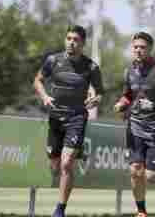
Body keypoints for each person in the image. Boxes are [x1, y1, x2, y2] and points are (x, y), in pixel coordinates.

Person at [34, 25, 104, 217]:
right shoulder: (53, 60)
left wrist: (95, 99)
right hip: (55, 118)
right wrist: (45, 97)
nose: (71, 42)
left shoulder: (91, 67)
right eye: (69, 38)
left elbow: (99, 93)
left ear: (83, 43)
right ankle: (77, 150)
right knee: (55, 166)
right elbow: (38, 80)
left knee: (66, 164)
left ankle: (60, 210)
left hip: (77, 118)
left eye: (76, 40)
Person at [113, 31, 155, 217]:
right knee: (135, 171)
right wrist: (122, 103)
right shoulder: (129, 71)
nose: (138, 50)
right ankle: (141, 211)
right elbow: (128, 94)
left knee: (152, 178)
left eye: (142, 47)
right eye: (135, 47)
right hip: (135, 127)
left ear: (150, 49)